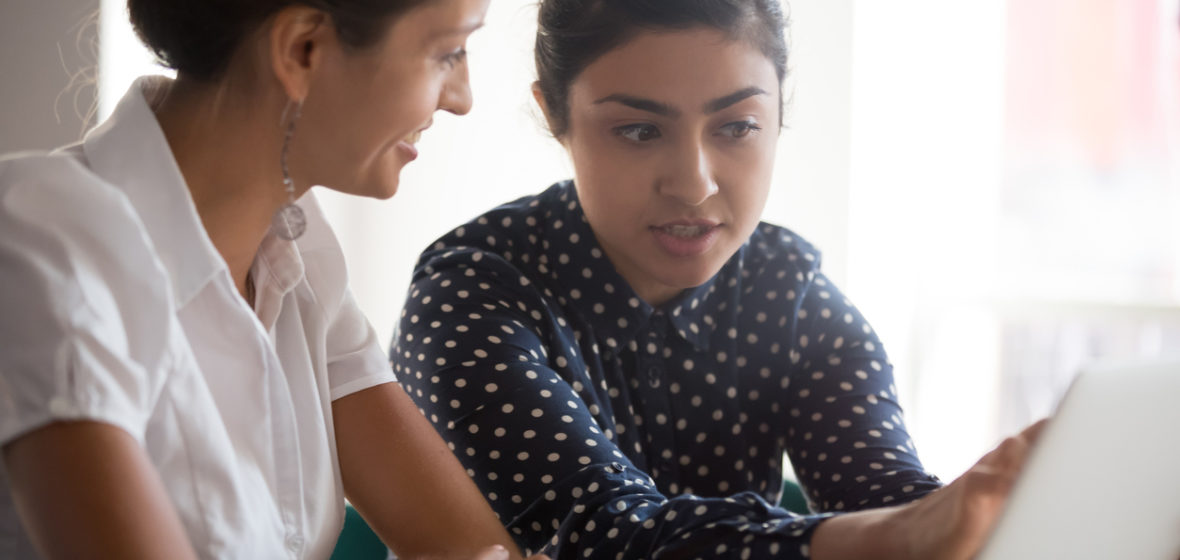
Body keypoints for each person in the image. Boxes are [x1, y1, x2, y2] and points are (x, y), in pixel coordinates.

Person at [391, 0, 1043, 558]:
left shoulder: (791, 296)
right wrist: (898, 536)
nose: (694, 183)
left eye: (736, 127)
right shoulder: (471, 294)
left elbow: (893, 504)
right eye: (640, 130)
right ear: (556, 114)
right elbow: (600, 535)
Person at [0, 1, 546, 559]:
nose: (461, 98)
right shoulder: (41, 241)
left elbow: (464, 545)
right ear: (300, 50)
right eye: (446, 53)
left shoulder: (298, 252)